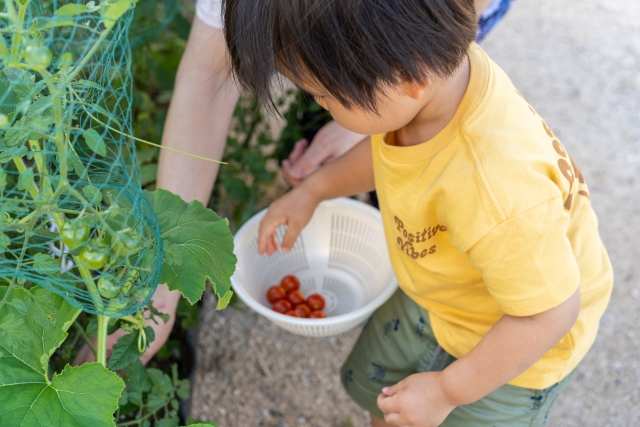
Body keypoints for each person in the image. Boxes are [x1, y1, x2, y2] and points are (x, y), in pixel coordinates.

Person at [224, 0, 613, 425]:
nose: (319, 106)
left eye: (322, 94)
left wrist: (449, 389)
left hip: (519, 339)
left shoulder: (494, 186)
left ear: (407, 76)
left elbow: (548, 313)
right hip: (447, 290)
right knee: (391, 401)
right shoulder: (428, 90)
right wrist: (316, 189)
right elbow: (394, 154)